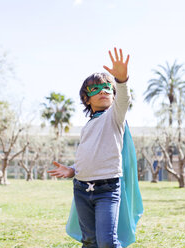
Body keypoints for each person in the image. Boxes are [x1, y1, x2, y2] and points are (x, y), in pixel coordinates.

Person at [48, 48, 142, 248]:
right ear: (86, 99)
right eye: (96, 89)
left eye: (108, 88)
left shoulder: (115, 118)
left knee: (107, 242)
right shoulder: (88, 126)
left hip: (107, 189)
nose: (103, 91)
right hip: (81, 188)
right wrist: (72, 170)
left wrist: (122, 81)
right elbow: (90, 155)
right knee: (89, 241)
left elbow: (123, 101)